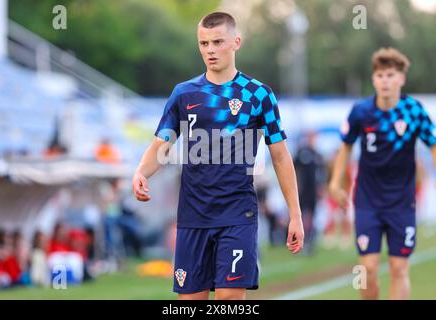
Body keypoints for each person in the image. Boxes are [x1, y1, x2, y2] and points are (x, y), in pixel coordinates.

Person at [132, 12, 304, 300]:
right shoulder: (183, 93)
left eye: (217, 42)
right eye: (203, 43)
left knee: (228, 299)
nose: (210, 50)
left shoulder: (258, 95)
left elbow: (281, 157)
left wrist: (295, 215)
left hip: (238, 215)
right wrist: (141, 172)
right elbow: (161, 146)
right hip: (193, 216)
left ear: (235, 42)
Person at [329, 48, 436, 300]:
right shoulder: (361, 111)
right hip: (368, 201)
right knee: (368, 269)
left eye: (390, 75)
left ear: (401, 79)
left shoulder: (414, 111)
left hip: (402, 202)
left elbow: (432, 144)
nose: (385, 80)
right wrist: (335, 182)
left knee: (399, 268)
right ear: (374, 79)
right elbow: (345, 146)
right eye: (380, 75)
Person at [293, 131, 325, 255]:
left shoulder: (317, 154)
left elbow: (321, 173)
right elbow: (294, 169)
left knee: (312, 216)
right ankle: (301, 242)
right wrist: (296, 185)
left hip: (313, 191)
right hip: (302, 191)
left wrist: (321, 187)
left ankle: (310, 242)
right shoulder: (302, 153)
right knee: (302, 216)